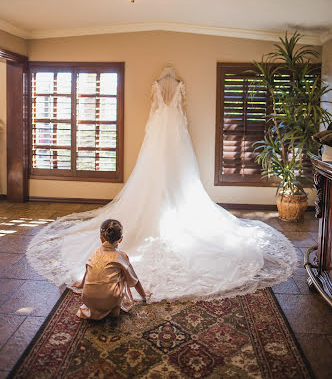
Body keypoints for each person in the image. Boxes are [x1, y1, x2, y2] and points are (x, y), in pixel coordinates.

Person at [27, 67, 297, 302]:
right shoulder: (173, 86)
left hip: (162, 135)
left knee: (175, 180)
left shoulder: (165, 86)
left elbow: (154, 112)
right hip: (172, 135)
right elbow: (181, 114)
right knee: (163, 178)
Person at [75, 219, 147, 320]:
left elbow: (88, 270)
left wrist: (81, 284)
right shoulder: (121, 255)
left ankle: (101, 306)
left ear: (101, 238)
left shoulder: (94, 252)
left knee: (102, 269)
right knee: (125, 273)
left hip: (87, 299)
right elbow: (134, 281)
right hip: (108, 300)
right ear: (121, 239)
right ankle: (113, 307)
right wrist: (144, 297)